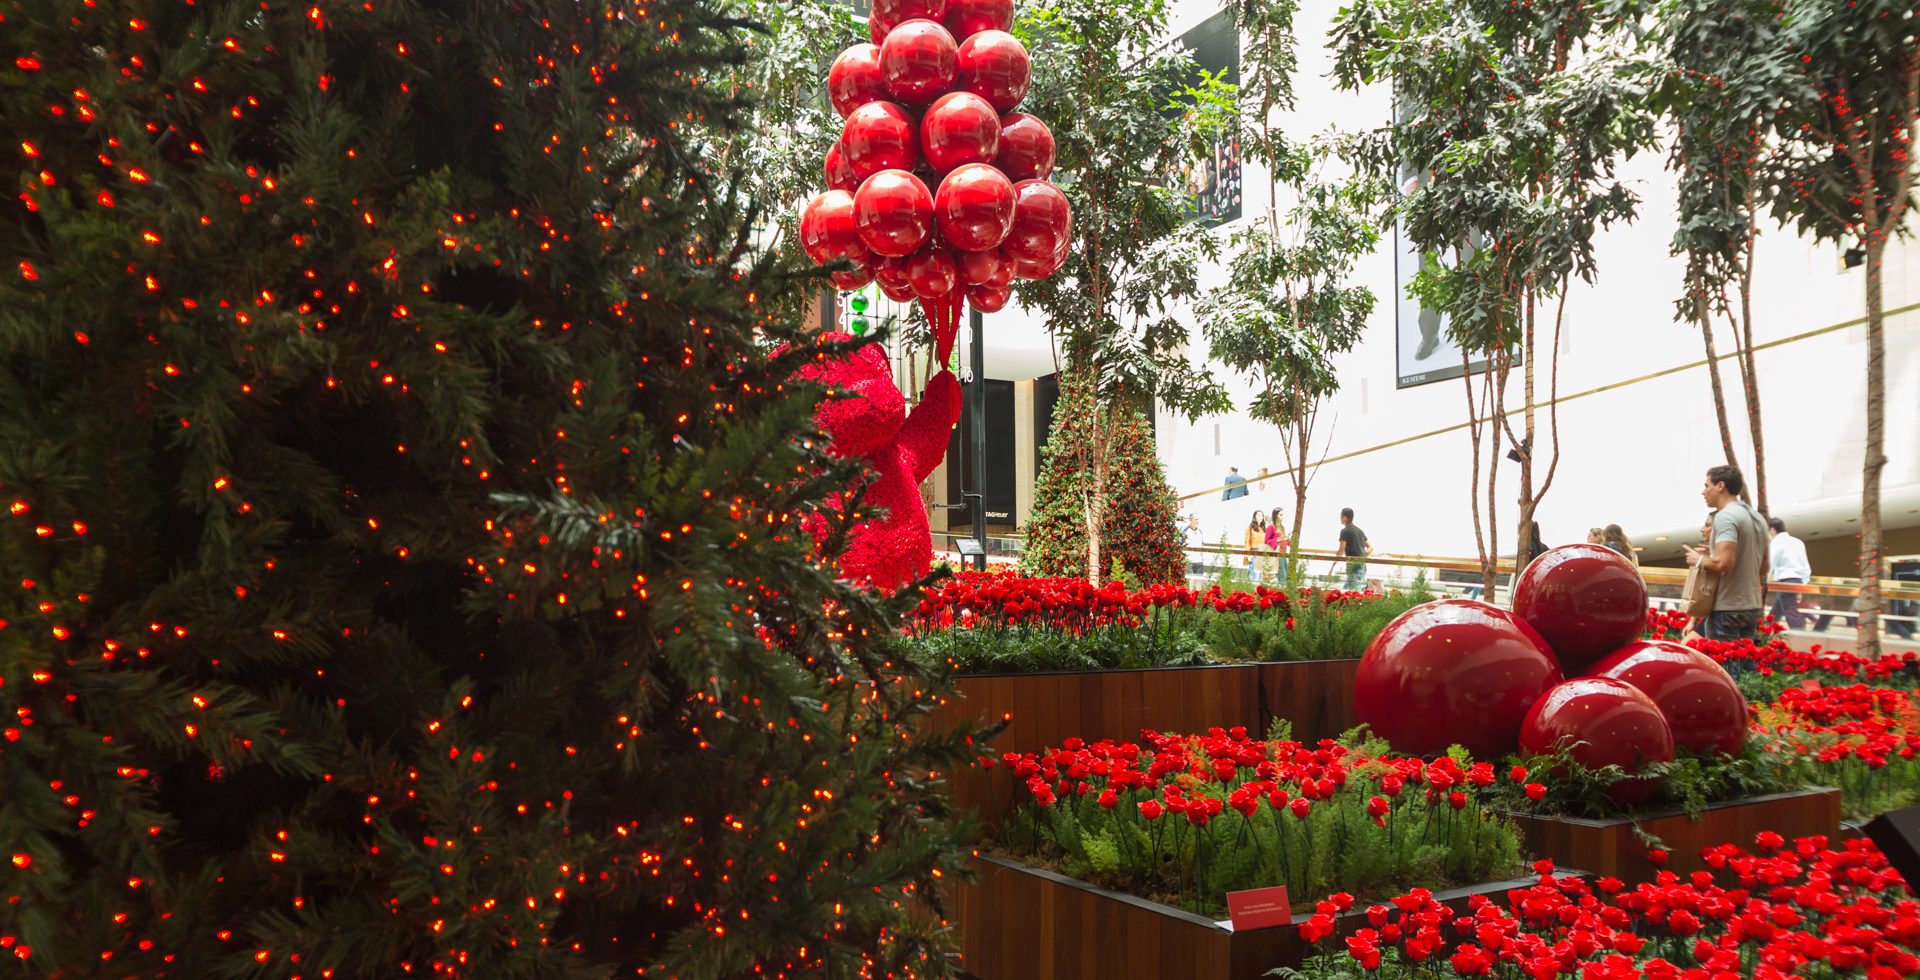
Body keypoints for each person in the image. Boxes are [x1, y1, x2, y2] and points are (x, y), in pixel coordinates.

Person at [1685, 465, 1769, 643]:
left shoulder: (1725, 516)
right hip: (1752, 607)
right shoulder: (1758, 518)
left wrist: (1698, 560)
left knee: (1723, 660)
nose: (1703, 492)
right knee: (1744, 660)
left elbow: (1723, 563)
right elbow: (1763, 567)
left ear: (1720, 486)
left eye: (1707, 485)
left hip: (1727, 608)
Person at [1767, 517, 1811, 631]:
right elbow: (1805, 566)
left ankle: (1801, 636)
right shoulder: (1798, 542)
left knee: (1791, 613)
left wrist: (1763, 581)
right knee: (1776, 612)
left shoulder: (1776, 542)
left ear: (1772, 530)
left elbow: (1771, 563)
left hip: (1784, 581)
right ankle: (1764, 631)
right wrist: (1803, 585)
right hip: (1797, 580)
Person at [1335, 508, 1370, 592]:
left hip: (1354, 566)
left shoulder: (1345, 531)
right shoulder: (1360, 531)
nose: (1340, 518)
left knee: (1354, 591)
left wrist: (1334, 561)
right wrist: (1362, 556)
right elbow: (1370, 547)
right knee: (1347, 590)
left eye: (1341, 516)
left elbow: (1341, 550)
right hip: (1362, 566)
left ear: (1345, 518)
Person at [1264, 507, 1290, 587]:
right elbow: (1266, 541)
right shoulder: (1271, 527)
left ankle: (1282, 591)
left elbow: (1284, 540)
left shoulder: (1282, 527)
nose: (1283, 517)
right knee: (1283, 576)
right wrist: (1278, 539)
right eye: (1281, 515)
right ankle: (1281, 592)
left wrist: (1288, 539)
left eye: (1283, 515)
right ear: (1276, 515)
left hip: (1283, 554)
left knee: (1285, 576)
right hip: (1277, 555)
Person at [1244, 510, 1267, 581]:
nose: (1261, 517)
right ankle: (1252, 585)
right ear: (1255, 517)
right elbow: (1247, 541)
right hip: (1254, 551)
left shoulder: (1263, 528)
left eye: (1262, 515)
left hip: (1262, 552)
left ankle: (1257, 585)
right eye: (1258, 515)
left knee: (1260, 573)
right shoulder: (1250, 528)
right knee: (1254, 571)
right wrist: (1247, 553)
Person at [1184, 514, 1208, 578]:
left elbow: (1201, 545)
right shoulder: (1185, 531)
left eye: (1198, 519)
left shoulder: (1200, 531)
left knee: (1199, 580)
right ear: (1190, 520)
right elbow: (1180, 545)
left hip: (1198, 561)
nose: (1197, 521)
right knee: (1188, 580)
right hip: (1188, 561)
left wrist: (1202, 557)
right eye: (1195, 519)